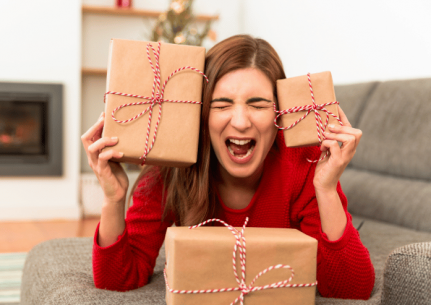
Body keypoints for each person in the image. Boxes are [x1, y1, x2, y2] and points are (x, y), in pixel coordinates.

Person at [81, 34, 375, 299]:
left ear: (280, 116)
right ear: (202, 114)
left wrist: (325, 190)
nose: (240, 121)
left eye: (258, 105)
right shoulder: (170, 168)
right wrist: (113, 200)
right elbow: (116, 282)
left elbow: (351, 289)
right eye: (222, 105)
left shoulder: (305, 160)